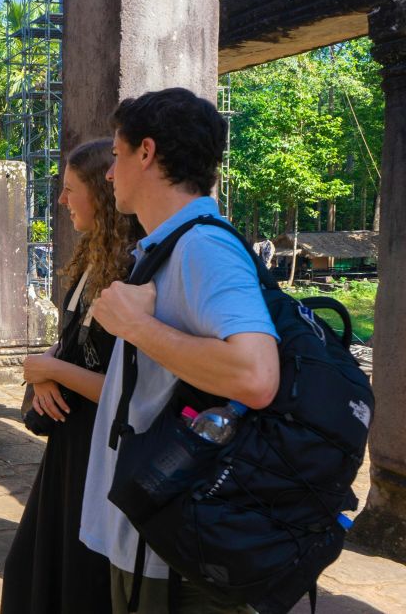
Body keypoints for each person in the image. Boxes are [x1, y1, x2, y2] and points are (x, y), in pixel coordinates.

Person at [80, 88, 281, 613]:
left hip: (178, 551)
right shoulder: (169, 246)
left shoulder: (203, 247)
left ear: (146, 153)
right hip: (154, 532)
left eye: (117, 156)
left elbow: (257, 376)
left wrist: (136, 326)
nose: (108, 173)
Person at [1, 139, 143, 614]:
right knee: (33, 572)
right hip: (72, 440)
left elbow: (133, 390)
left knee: (82, 579)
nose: (61, 201)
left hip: (105, 447)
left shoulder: (134, 269)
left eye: (69, 190)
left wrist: (50, 369)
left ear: (101, 194)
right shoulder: (93, 257)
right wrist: (44, 373)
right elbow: (75, 345)